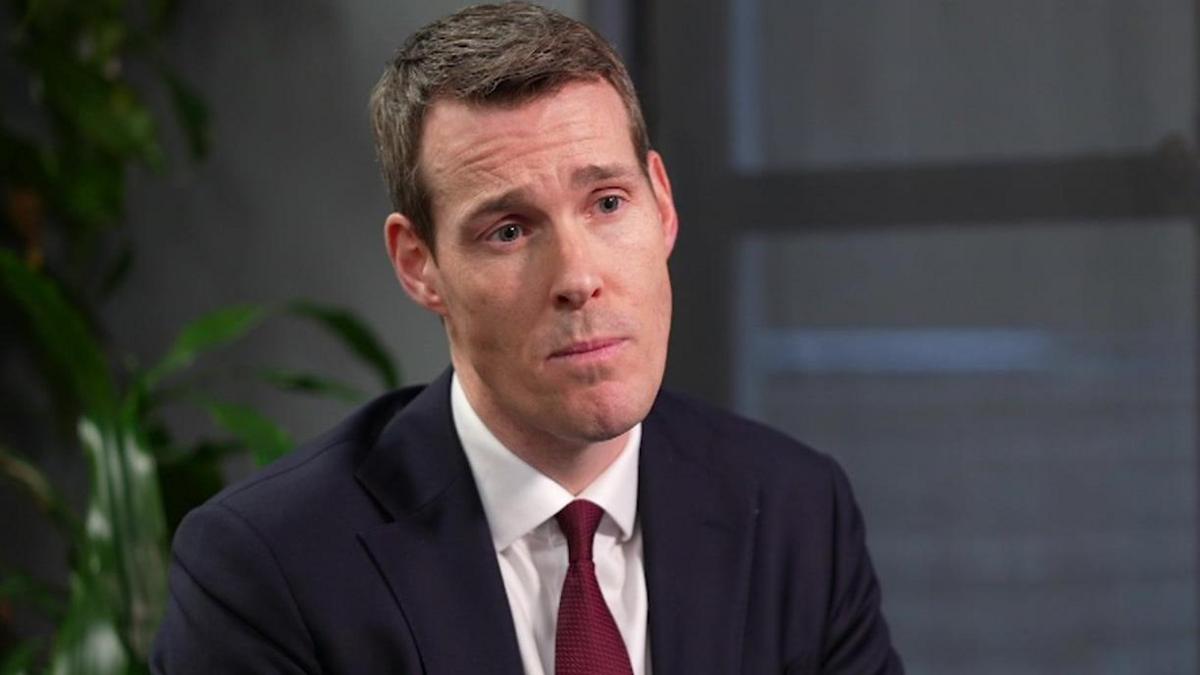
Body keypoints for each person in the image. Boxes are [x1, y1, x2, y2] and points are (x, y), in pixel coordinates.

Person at [151, 3, 902, 674]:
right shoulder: (269, 566)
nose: (578, 277)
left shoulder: (797, 511)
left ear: (662, 204)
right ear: (421, 265)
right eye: (508, 230)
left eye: (607, 202)